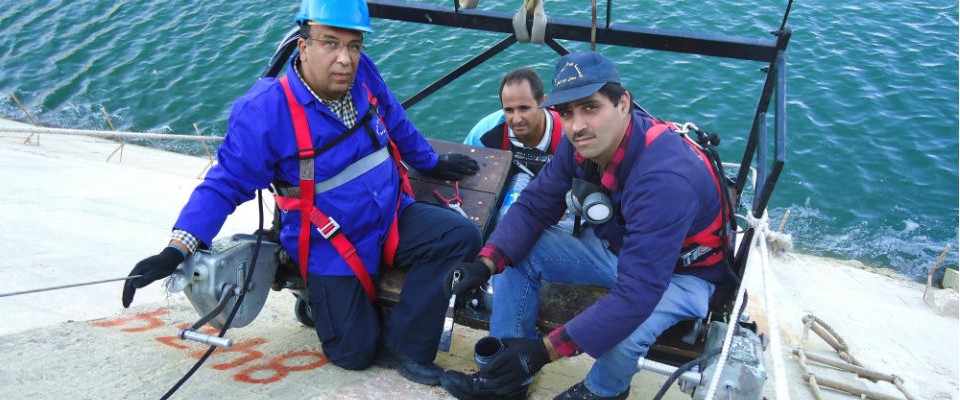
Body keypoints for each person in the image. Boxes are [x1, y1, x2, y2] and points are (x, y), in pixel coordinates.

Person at [120, 0, 483, 387]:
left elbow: (394, 117)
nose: (345, 58)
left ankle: (407, 348)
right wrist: (179, 248)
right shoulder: (265, 112)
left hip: (391, 213)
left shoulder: (364, 76)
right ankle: (329, 309)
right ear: (303, 44)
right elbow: (224, 184)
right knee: (352, 353)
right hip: (332, 240)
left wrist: (429, 163)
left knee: (460, 236)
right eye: (330, 43)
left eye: (354, 45)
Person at [439, 51, 733, 400]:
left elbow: (636, 295)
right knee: (518, 254)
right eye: (566, 112)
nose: (577, 125)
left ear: (624, 103)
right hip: (621, 248)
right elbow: (534, 206)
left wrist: (541, 352)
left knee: (625, 332)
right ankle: (506, 376)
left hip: (684, 275)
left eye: (590, 107)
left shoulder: (665, 181)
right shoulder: (581, 144)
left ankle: (601, 392)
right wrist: (484, 263)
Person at [463, 67, 564, 222]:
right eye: (509, 110)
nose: (516, 119)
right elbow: (464, 174)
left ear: (543, 102)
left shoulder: (568, 134)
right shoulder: (485, 133)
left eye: (524, 108)